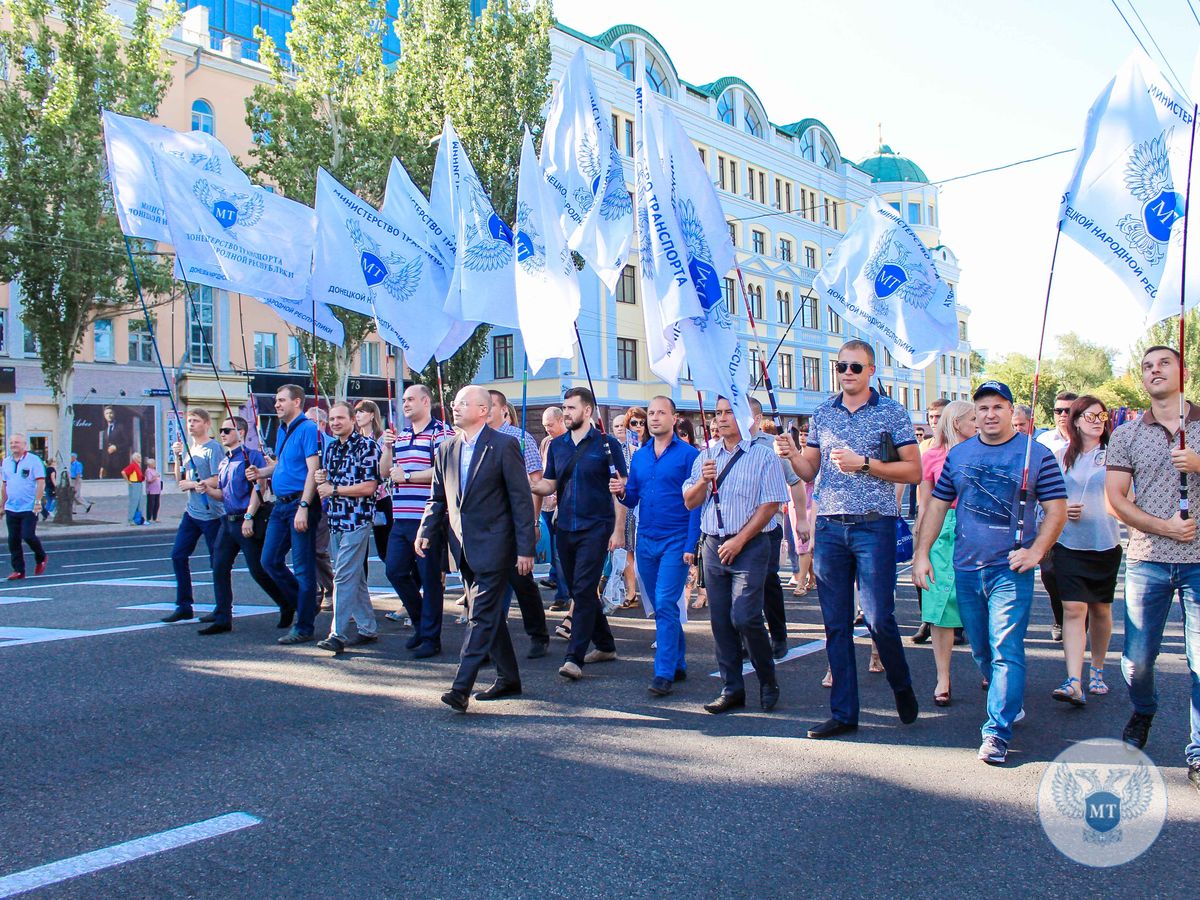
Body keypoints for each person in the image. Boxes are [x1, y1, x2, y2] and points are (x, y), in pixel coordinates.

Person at [914, 380, 1067, 765]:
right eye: (983, 408)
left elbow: (1057, 509)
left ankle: (996, 732)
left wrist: (1036, 550)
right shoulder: (960, 455)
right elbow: (937, 505)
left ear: (1011, 411)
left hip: (1009, 570)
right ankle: (1009, 699)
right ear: (975, 414)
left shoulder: (1036, 454)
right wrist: (922, 553)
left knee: (1005, 649)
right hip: (967, 568)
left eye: (998, 407)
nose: (990, 414)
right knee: (981, 648)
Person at [776, 340, 921, 738]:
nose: (847, 373)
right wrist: (791, 453)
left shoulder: (891, 411)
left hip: (874, 525)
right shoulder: (824, 412)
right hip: (830, 526)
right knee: (835, 624)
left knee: (878, 617)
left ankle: (901, 684)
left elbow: (914, 472)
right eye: (841, 367)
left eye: (855, 367)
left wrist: (866, 465)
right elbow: (809, 471)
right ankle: (843, 713)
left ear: (871, 370)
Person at [1104, 346, 1200, 790]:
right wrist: (1163, 525)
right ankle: (1144, 708)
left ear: (1182, 370)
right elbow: (1116, 499)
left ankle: (1196, 753)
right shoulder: (1126, 433)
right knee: (1137, 662)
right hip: (1148, 559)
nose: (1154, 370)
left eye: (1163, 363)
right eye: (1146, 365)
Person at [419, 386, 536, 713]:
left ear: (483, 410)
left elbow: (521, 501)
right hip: (463, 547)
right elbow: (438, 498)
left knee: (480, 615)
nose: (455, 408)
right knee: (487, 616)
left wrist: (526, 549)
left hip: (497, 546)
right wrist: (426, 529)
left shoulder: (504, 445)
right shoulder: (446, 448)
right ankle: (509, 678)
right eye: (455, 403)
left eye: (464, 403)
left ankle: (461, 688)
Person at [684, 395, 788, 713]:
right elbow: (689, 501)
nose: (723, 419)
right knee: (720, 621)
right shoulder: (707, 457)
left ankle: (768, 680)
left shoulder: (763, 455)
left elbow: (771, 503)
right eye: (719, 413)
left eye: (730, 412)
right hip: (714, 544)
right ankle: (732, 688)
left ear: (746, 418)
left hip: (750, 544)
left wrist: (741, 540)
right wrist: (704, 480)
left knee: (744, 615)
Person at [532, 387, 627, 681]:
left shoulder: (607, 444)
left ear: (587, 411)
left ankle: (574, 657)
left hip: (596, 526)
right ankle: (607, 645)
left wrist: (618, 530)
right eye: (565, 407)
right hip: (566, 527)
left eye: (571, 408)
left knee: (584, 589)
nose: (566, 413)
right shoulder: (557, 445)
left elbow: (620, 489)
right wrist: (529, 485)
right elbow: (549, 483)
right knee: (578, 589)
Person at [612, 396, 700, 696]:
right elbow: (633, 497)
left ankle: (662, 673)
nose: (654, 417)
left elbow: (696, 504)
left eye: (661, 412)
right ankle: (677, 662)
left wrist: (692, 544)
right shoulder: (640, 456)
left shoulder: (689, 455)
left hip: (676, 540)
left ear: (674, 418)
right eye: (650, 413)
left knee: (664, 602)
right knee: (659, 606)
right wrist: (621, 492)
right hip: (646, 540)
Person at [1049, 395, 1120, 707]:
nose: (1096, 421)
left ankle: (1098, 668)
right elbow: (1046, 501)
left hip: (1104, 542)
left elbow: (1126, 496)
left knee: (1100, 609)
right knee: (1075, 609)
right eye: (1089, 416)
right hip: (1068, 544)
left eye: (1101, 416)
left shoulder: (1114, 455)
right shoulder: (1059, 455)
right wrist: (1064, 509)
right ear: (1075, 421)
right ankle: (1073, 680)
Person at [201, 416, 291, 635]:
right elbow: (223, 494)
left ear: (241, 432)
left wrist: (249, 516)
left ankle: (287, 602)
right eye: (221, 431)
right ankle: (223, 617)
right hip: (228, 520)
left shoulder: (252, 456)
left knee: (259, 569)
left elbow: (259, 488)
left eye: (227, 430)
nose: (222, 434)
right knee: (219, 566)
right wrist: (205, 488)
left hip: (247, 519)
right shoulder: (224, 462)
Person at [380, 384, 453, 658]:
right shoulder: (401, 436)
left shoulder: (441, 432)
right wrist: (387, 448)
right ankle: (422, 624)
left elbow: (443, 470)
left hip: (427, 518)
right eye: (404, 400)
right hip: (401, 517)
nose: (405, 404)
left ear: (426, 401)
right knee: (395, 570)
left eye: (411, 399)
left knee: (430, 578)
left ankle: (431, 638)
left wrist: (409, 477)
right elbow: (385, 472)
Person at [247, 385, 322, 645]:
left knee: (303, 567)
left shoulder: (308, 429)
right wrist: (262, 473)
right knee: (269, 561)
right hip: (280, 505)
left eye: (281, 401)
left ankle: (304, 627)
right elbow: (282, 465)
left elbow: (313, 470)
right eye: (275, 400)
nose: (276, 405)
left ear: (297, 402)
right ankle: (304, 605)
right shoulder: (282, 429)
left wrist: (304, 505)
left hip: (299, 505)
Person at [914, 400, 976, 706]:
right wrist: (920, 544)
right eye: (973, 418)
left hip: (975, 529)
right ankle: (943, 677)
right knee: (940, 606)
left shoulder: (982, 452)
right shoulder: (932, 456)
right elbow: (925, 503)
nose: (979, 422)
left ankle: (989, 667)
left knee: (981, 602)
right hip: (941, 530)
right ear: (956, 423)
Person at [315, 402, 382, 655]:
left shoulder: (368, 446)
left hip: (358, 519)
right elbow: (330, 483)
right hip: (335, 519)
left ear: (353, 419)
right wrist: (323, 480)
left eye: (340, 418)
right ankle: (367, 628)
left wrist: (334, 489)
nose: (335, 423)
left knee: (342, 575)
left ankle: (338, 634)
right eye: (332, 419)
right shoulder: (331, 448)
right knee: (356, 577)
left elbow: (369, 487)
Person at [488, 389, 550, 658]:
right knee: (490, 584)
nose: (484, 410)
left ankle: (538, 634)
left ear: (504, 410)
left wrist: (533, 522)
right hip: (488, 524)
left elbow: (536, 484)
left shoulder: (520, 438)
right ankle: (490, 639)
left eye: (489, 405)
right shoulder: (474, 439)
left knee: (521, 580)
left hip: (515, 522)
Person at [748, 397, 803, 660]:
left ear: (757, 419)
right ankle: (751, 637)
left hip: (769, 526)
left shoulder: (772, 446)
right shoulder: (727, 447)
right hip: (738, 526)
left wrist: (801, 519)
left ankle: (779, 635)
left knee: (768, 581)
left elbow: (795, 482)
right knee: (745, 583)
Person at [160, 410, 224, 623]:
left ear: (207, 424)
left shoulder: (213, 448)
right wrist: (177, 457)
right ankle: (184, 605)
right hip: (192, 512)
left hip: (212, 513)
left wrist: (195, 485)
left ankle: (222, 607)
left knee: (217, 562)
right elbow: (180, 479)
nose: (191, 425)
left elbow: (217, 479)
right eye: (189, 421)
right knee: (178, 555)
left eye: (196, 421)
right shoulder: (189, 449)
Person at [1036, 391, 1078, 642]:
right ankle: (1059, 616)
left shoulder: (1090, 441)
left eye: (1068, 410)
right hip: (1048, 521)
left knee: (1077, 574)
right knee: (1050, 573)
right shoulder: (1044, 442)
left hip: (1082, 522)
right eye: (1058, 411)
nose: (1063, 415)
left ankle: (1076, 619)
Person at [911, 398, 949, 644]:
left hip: (953, 516)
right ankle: (927, 618)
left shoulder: (961, 447)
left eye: (939, 416)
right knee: (923, 566)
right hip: (928, 513)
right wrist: (919, 520)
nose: (934, 421)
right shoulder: (924, 447)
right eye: (931, 417)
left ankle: (957, 622)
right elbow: (921, 487)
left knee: (951, 574)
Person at [2, 433, 47, 580]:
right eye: (12, 442)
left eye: (17, 442)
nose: (14, 445)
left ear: (24, 445)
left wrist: (38, 502)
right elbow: (4, 485)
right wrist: (2, 505)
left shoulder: (34, 461)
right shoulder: (6, 462)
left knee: (27, 535)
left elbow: (41, 482)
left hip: (29, 507)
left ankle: (41, 556)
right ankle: (19, 570)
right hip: (11, 507)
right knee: (13, 540)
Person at [304, 406, 336, 611]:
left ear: (321, 424)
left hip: (325, 503)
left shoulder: (331, 445)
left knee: (317, 550)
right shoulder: (304, 441)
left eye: (311, 421)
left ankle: (330, 586)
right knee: (304, 549)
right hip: (305, 501)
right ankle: (315, 589)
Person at [539, 406, 571, 612]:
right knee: (553, 550)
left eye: (550, 425)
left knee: (561, 552)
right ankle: (556, 581)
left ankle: (563, 595)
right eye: (544, 426)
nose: (547, 429)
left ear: (561, 421)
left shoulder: (568, 443)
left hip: (562, 504)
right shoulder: (545, 442)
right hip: (545, 503)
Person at [355, 399, 392, 564]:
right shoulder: (356, 440)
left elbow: (386, 469)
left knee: (385, 548)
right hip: (360, 499)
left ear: (371, 415)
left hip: (380, 499)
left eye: (361, 412)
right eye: (356, 412)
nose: (357, 416)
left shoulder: (382, 438)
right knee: (359, 551)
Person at [620, 407, 648, 608]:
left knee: (643, 550)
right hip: (627, 504)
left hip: (645, 504)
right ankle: (631, 592)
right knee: (627, 547)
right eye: (634, 423)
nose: (638, 427)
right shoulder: (622, 449)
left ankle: (648, 593)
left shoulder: (650, 447)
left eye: (641, 423)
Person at [97, 405, 130, 478]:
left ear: (114, 414)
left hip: (120, 464)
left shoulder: (121, 427)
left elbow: (128, 442)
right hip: (108, 466)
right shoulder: (104, 432)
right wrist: (103, 466)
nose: (109, 415)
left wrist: (116, 447)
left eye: (110, 413)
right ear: (104, 416)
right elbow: (104, 451)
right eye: (107, 413)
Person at [121, 452, 146, 525]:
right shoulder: (132, 465)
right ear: (135, 458)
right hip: (134, 484)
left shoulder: (137, 466)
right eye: (139, 457)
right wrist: (128, 481)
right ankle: (130, 519)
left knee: (140, 502)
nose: (140, 458)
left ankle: (138, 519)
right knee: (134, 502)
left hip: (139, 484)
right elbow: (123, 472)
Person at [144, 457, 162, 523]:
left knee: (157, 504)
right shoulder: (148, 470)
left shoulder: (154, 470)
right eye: (153, 463)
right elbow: (149, 480)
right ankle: (149, 518)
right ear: (150, 464)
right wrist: (155, 477)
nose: (155, 464)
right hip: (151, 491)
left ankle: (155, 517)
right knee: (151, 504)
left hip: (157, 490)